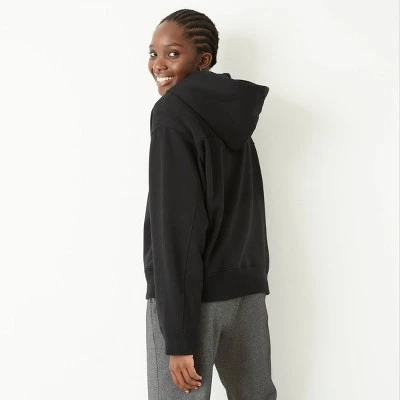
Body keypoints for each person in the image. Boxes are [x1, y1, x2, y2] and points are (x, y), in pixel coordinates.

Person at [143, 8, 278, 400]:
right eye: (153, 53)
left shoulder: (172, 113)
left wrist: (178, 335)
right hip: (245, 292)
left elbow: (176, 226)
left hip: (191, 300)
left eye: (172, 54)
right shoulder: (235, 116)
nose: (158, 65)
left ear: (203, 60)